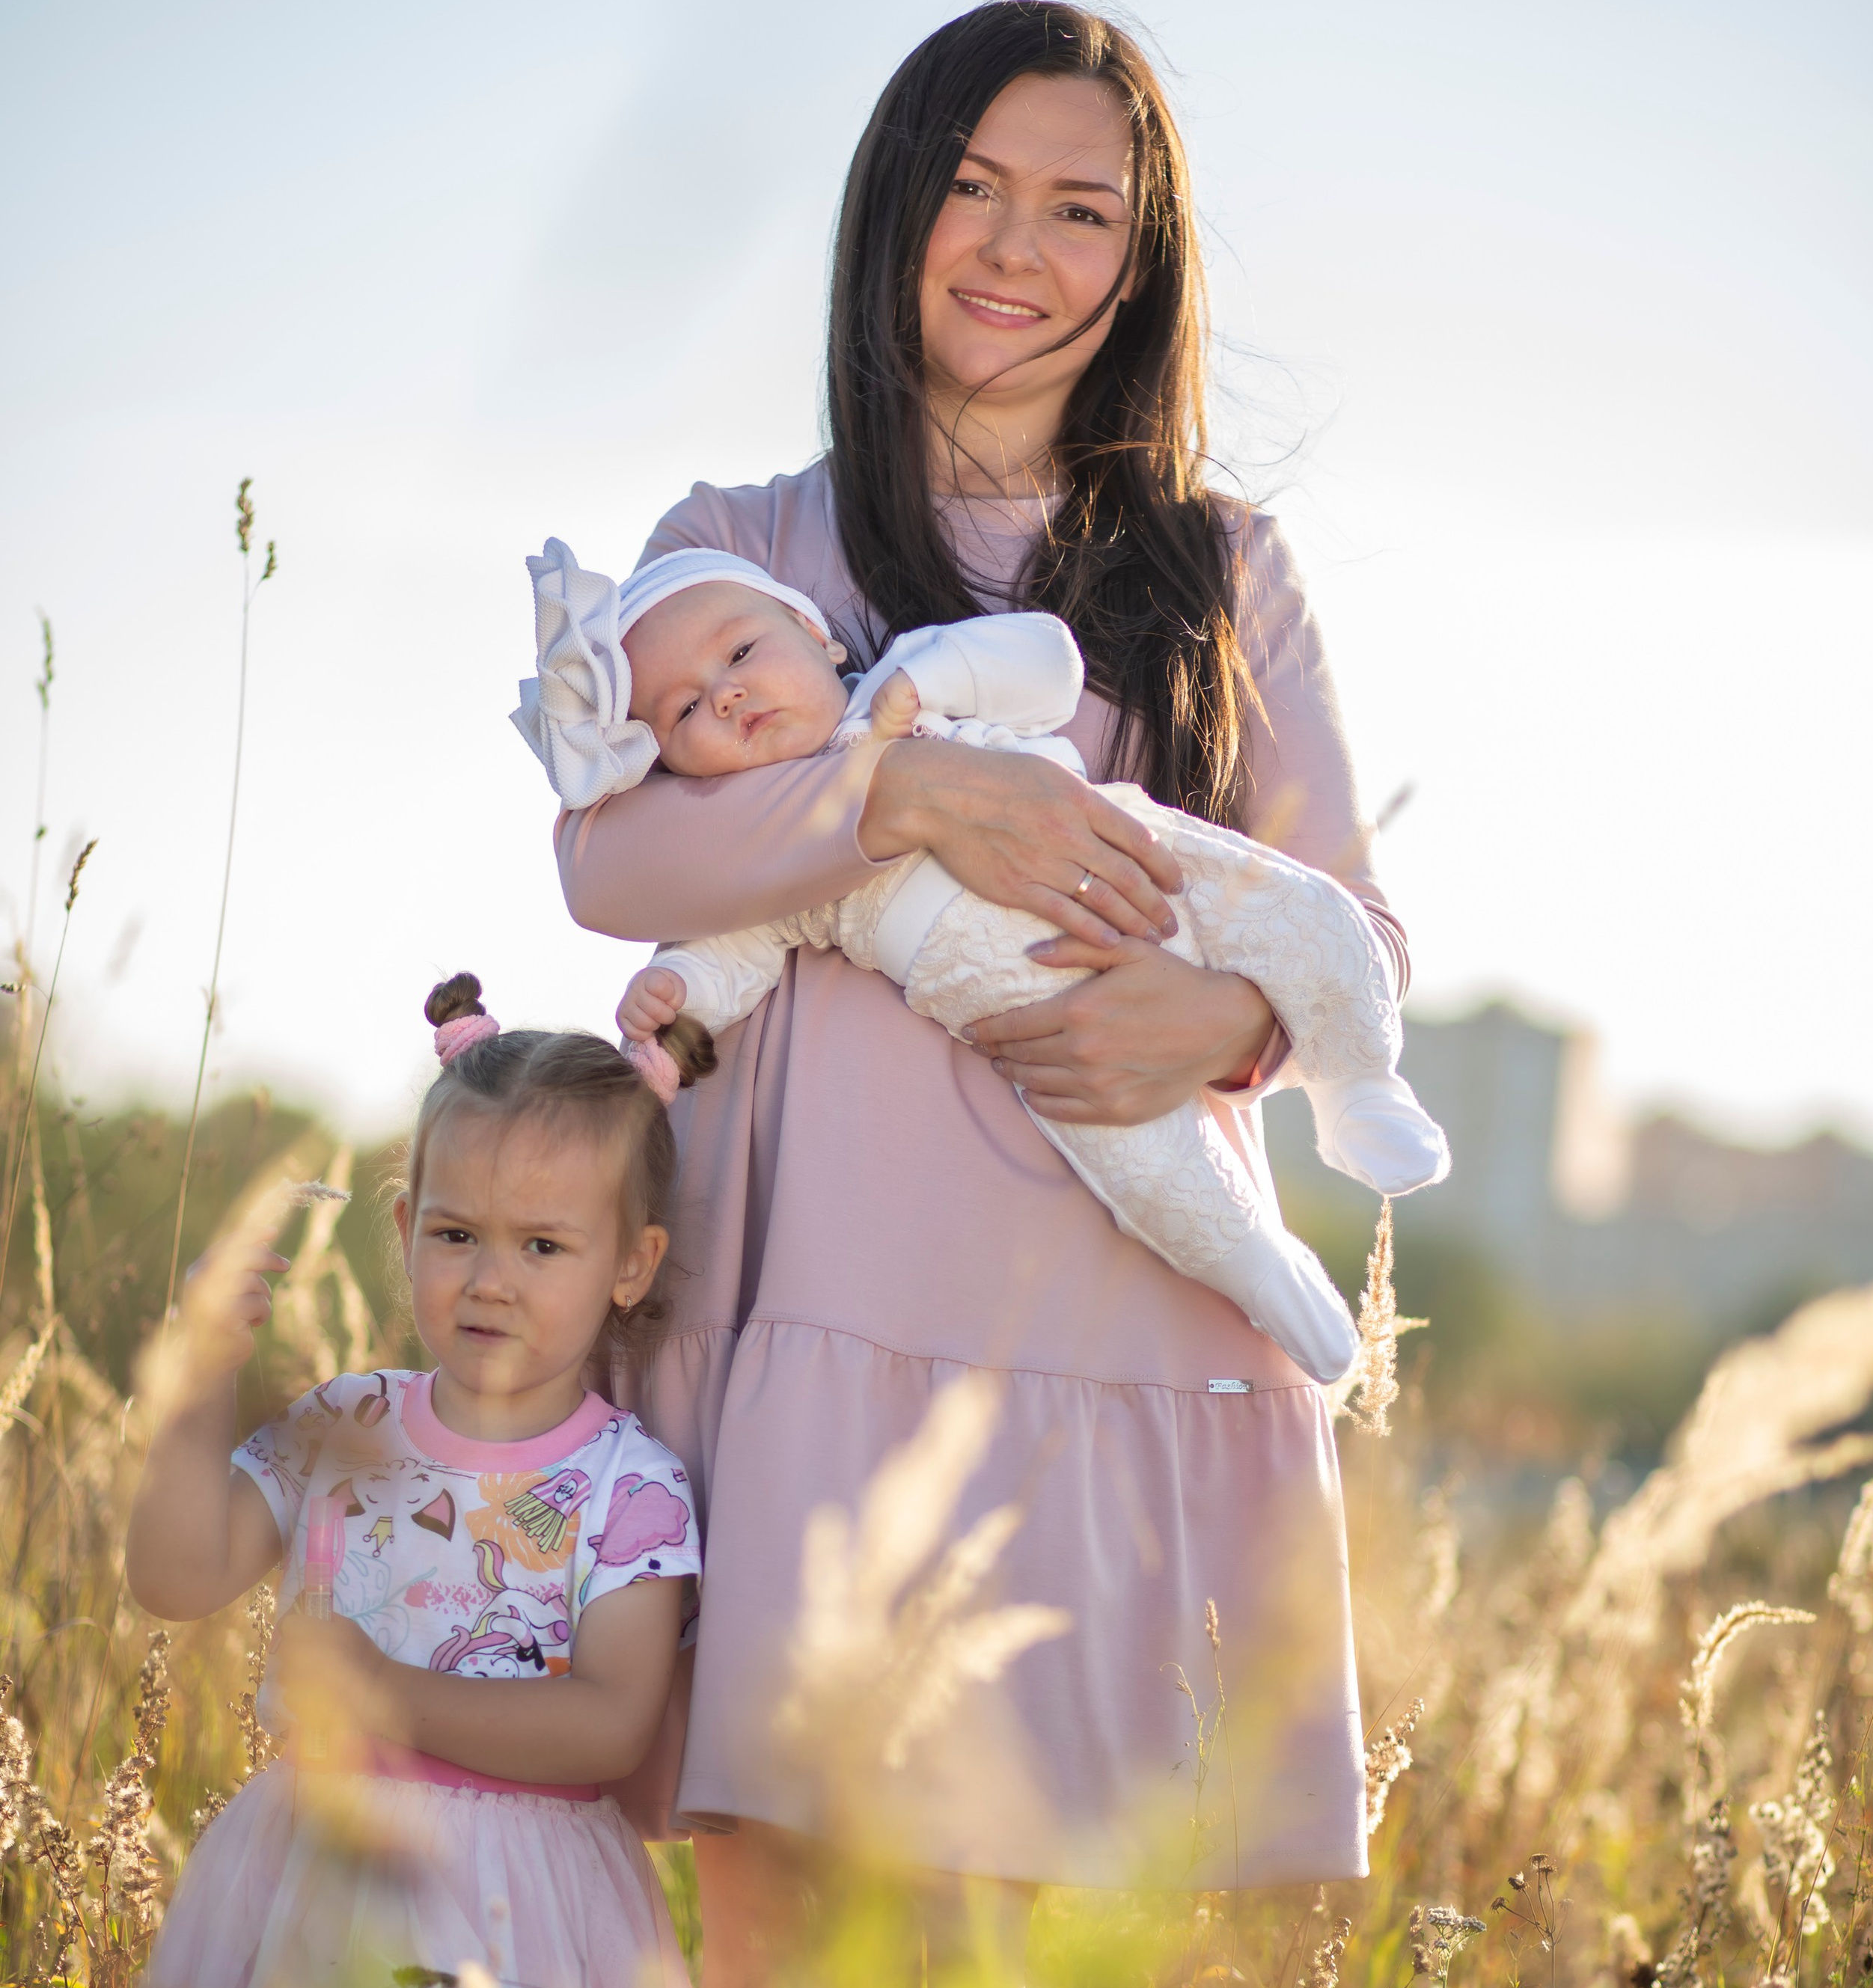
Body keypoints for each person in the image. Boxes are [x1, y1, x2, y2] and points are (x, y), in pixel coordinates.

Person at [554, 0, 1414, 1988]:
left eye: (1080, 210)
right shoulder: (745, 538)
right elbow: (613, 856)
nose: (1016, 248)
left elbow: (1354, 932)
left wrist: (1212, 1021)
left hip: (1109, 1346)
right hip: (810, 1339)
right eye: (972, 187)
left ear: (1144, 262)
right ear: (894, 206)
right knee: (777, 1968)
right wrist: (904, 797)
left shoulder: (1221, 575)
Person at [64, 976, 729, 1988]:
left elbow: (610, 1722)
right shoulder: (342, 1428)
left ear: (630, 1264)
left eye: (543, 1244)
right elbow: (177, 1575)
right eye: (455, 1234)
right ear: (405, 1231)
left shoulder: (626, 1487)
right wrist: (193, 1390)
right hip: (321, 1885)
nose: (490, 1278)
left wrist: (388, 1693)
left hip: (520, 1918)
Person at [513, 542, 1447, 1382]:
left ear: (812, 632)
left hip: (1150, 861)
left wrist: (942, 673)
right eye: (683, 710)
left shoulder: (908, 690)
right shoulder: (779, 860)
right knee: (1151, 1174)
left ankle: (1357, 1083)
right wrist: (678, 995)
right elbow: (725, 958)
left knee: (1312, 916)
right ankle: (1264, 1270)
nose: (724, 693)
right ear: (673, 763)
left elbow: (1050, 667)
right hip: (1032, 1020)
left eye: (742, 653)